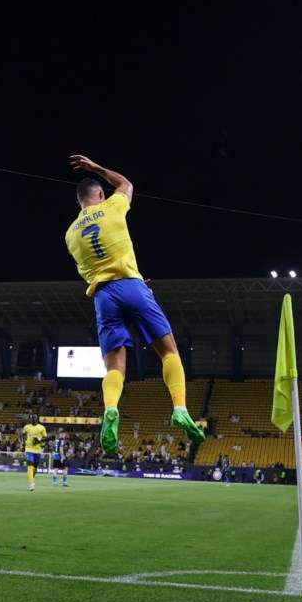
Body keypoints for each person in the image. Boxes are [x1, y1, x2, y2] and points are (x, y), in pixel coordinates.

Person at [64, 155, 206, 456]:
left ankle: (111, 409)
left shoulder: (70, 235)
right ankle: (180, 407)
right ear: (99, 195)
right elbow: (125, 183)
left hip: (103, 296)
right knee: (169, 351)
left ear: (79, 202)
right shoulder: (112, 206)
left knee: (114, 367)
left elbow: (88, 270)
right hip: (132, 286)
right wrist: (95, 168)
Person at [19, 417, 47, 492]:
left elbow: (45, 438)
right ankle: (32, 483)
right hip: (29, 449)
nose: (33, 420)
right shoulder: (27, 427)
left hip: (38, 450)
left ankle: (32, 478)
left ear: (37, 419)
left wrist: (38, 440)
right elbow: (22, 435)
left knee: (35, 468)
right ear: (31, 420)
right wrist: (22, 443)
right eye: (32, 418)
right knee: (30, 466)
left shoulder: (41, 427)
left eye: (35, 418)